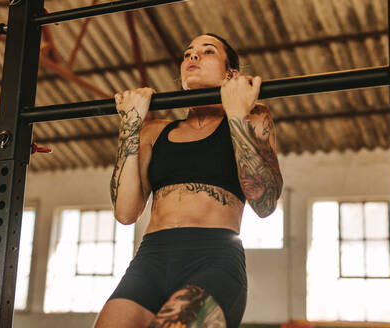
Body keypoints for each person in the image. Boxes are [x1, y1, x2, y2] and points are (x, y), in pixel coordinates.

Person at [93, 33, 283, 328]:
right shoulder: (154, 132)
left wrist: (235, 115)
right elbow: (126, 212)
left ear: (230, 73)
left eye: (207, 52)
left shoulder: (252, 118)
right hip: (150, 260)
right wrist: (130, 126)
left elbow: (265, 202)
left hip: (214, 259)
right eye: (187, 53)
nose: (193, 57)